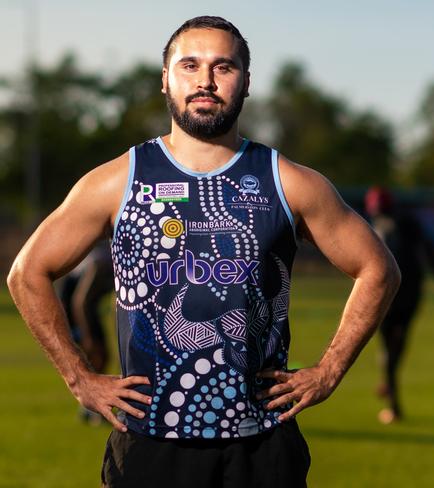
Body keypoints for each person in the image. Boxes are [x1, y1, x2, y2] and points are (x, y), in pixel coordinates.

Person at [7, 16, 400, 488]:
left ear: (246, 82)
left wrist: (329, 370)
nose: (205, 81)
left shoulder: (288, 181)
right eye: (189, 65)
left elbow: (379, 269)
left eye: (224, 67)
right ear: (165, 79)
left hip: (261, 445)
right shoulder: (117, 181)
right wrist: (80, 379)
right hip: (150, 443)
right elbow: (27, 273)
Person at [364, 186, 434, 424]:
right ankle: (391, 392)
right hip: (385, 292)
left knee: (393, 348)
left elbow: (427, 249)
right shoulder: (375, 224)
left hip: (406, 292)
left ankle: (392, 400)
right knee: (390, 347)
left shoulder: (405, 222)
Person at [58, 241, 114, 424]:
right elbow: (78, 302)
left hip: (86, 300)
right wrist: (85, 335)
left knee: (97, 353)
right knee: (95, 352)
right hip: (75, 305)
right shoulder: (99, 263)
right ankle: (95, 409)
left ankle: (91, 409)